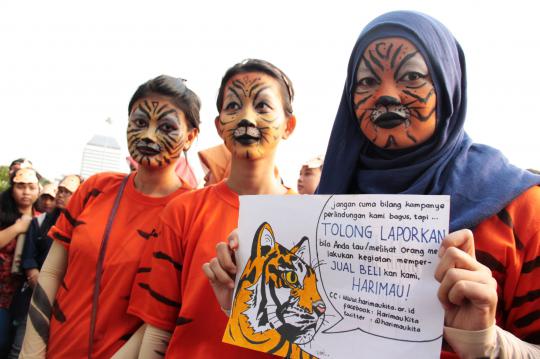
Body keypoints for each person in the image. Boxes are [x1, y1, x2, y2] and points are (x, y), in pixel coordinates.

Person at [205, 11, 540, 358]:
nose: (386, 95)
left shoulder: (521, 209)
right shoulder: (329, 202)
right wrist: (248, 301)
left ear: (446, 83)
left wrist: (486, 343)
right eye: (366, 82)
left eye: (411, 75)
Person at [20, 75, 201, 358]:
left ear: (190, 137)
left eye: (166, 127)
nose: (148, 136)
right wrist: (31, 352)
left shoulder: (191, 210)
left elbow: (164, 315)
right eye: (140, 123)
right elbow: (53, 272)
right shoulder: (95, 188)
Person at [127, 59, 296, 358]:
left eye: (262, 106)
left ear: (288, 125)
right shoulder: (183, 211)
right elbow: (158, 328)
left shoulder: (309, 221)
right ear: (219, 127)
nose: (246, 118)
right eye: (233, 106)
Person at [8, 175, 82, 358]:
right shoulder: (40, 222)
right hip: (35, 294)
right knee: (21, 346)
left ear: (81, 195)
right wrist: (38, 284)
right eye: (61, 190)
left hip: (67, 302)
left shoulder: (84, 228)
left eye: (68, 192)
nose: (61, 195)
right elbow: (29, 258)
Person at [0, 168, 40, 357]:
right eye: (20, 186)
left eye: (31, 187)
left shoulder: (43, 217)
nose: (26, 192)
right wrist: (17, 228)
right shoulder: (2, 210)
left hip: (22, 295)